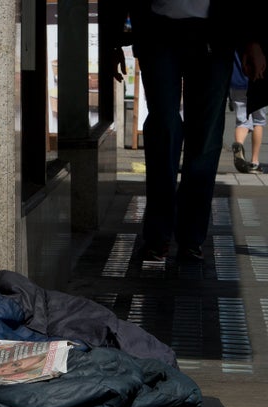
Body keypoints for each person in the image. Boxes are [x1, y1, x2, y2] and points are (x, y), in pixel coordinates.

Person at [110, 1, 267, 262]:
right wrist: (113, 41)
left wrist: (253, 40)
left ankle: (191, 239)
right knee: (163, 128)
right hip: (157, 28)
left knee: (205, 137)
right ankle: (158, 236)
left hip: (214, 32)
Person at [230, 50, 266, 174]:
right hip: (257, 80)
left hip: (237, 83)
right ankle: (254, 162)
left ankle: (238, 144)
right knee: (258, 121)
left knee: (242, 121)